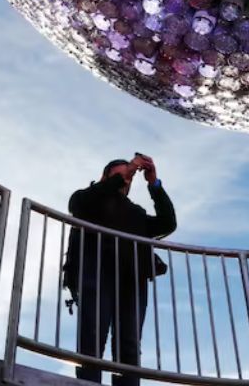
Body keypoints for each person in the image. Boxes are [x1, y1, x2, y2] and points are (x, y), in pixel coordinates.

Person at [65, 154, 176, 386]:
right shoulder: (88, 199)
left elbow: (167, 223)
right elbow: (78, 205)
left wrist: (154, 184)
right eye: (120, 176)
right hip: (96, 274)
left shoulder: (136, 213)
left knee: (129, 344)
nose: (126, 180)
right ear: (105, 178)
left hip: (132, 281)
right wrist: (123, 174)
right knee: (92, 338)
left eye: (128, 178)